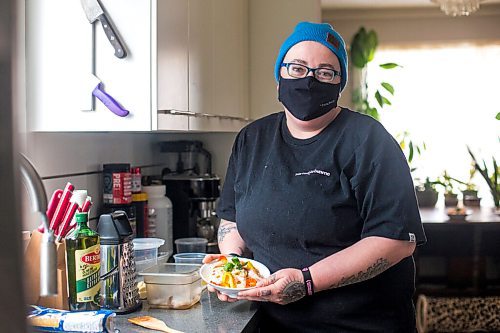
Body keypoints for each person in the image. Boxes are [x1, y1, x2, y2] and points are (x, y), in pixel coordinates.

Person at [204, 21, 426, 332]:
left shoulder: (368, 141)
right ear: (279, 74)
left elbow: (395, 240)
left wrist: (307, 282)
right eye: (297, 68)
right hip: (270, 321)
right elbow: (231, 220)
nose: (309, 80)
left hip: (360, 324)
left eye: (324, 72)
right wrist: (232, 268)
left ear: (339, 83)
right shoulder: (251, 139)